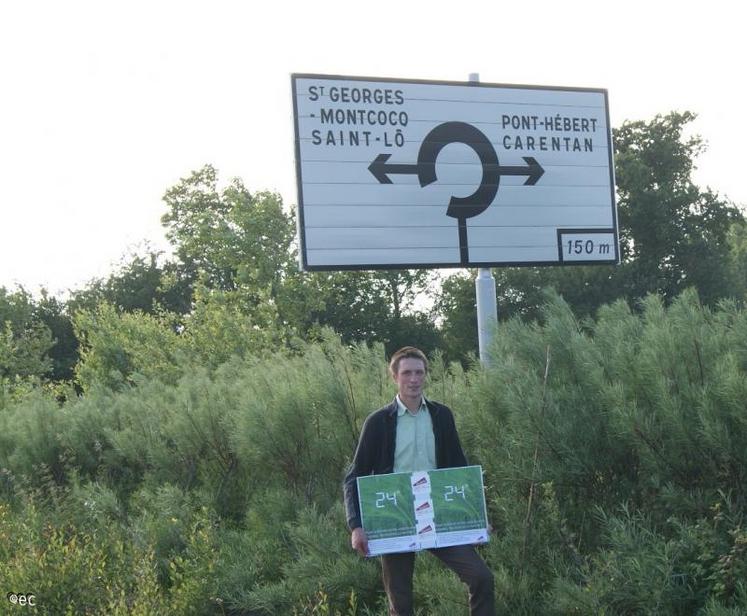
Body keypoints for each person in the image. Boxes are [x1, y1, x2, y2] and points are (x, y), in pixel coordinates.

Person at [343, 346, 495, 616]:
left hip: (441, 515)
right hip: (395, 517)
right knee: (400, 604)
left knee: (481, 577)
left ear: (425, 375)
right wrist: (356, 526)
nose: (413, 379)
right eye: (407, 373)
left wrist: (475, 517)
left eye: (419, 372)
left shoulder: (442, 416)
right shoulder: (378, 422)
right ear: (395, 377)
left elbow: (459, 469)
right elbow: (354, 476)